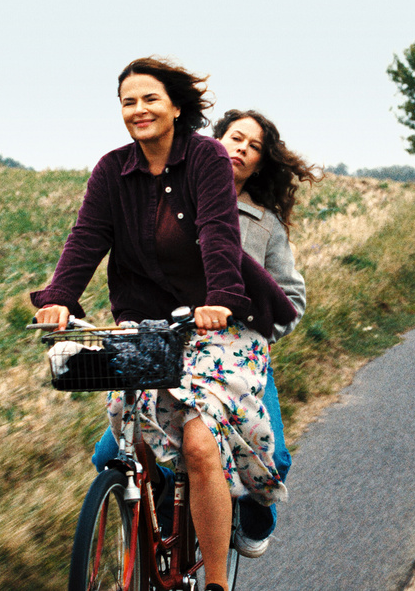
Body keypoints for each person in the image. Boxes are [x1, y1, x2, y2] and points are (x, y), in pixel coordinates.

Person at [31, 57, 296, 591]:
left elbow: (218, 232)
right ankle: (147, 540)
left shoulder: (206, 157)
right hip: (147, 324)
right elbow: (86, 238)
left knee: (198, 441)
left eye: (150, 98)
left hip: (220, 324)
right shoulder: (111, 170)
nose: (139, 109)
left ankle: (216, 582)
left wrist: (220, 298)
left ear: (176, 107)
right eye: (128, 101)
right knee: (128, 439)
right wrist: (58, 298)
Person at [91, 108, 321, 556]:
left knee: (273, 456)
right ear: (215, 143)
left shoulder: (265, 224)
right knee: (109, 454)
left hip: (234, 353)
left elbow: (291, 298)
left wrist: (253, 326)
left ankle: (250, 517)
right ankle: (163, 510)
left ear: (260, 164)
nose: (242, 149)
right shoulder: (171, 198)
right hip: (169, 345)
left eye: (254, 147)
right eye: (236, 138)